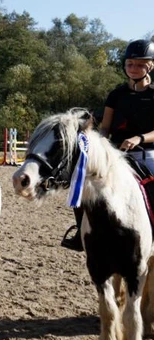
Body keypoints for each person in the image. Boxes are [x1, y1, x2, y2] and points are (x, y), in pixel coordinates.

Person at [61, 39, 154, 251]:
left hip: (146, 151)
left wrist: (139, 138)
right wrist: (98, 145)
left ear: (151, 66)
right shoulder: (116, 95)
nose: (133, 68)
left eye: (140, 64)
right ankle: (80, 232)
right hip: (115, 152)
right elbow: (105, 127)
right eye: (130, 64)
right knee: (83, 183)